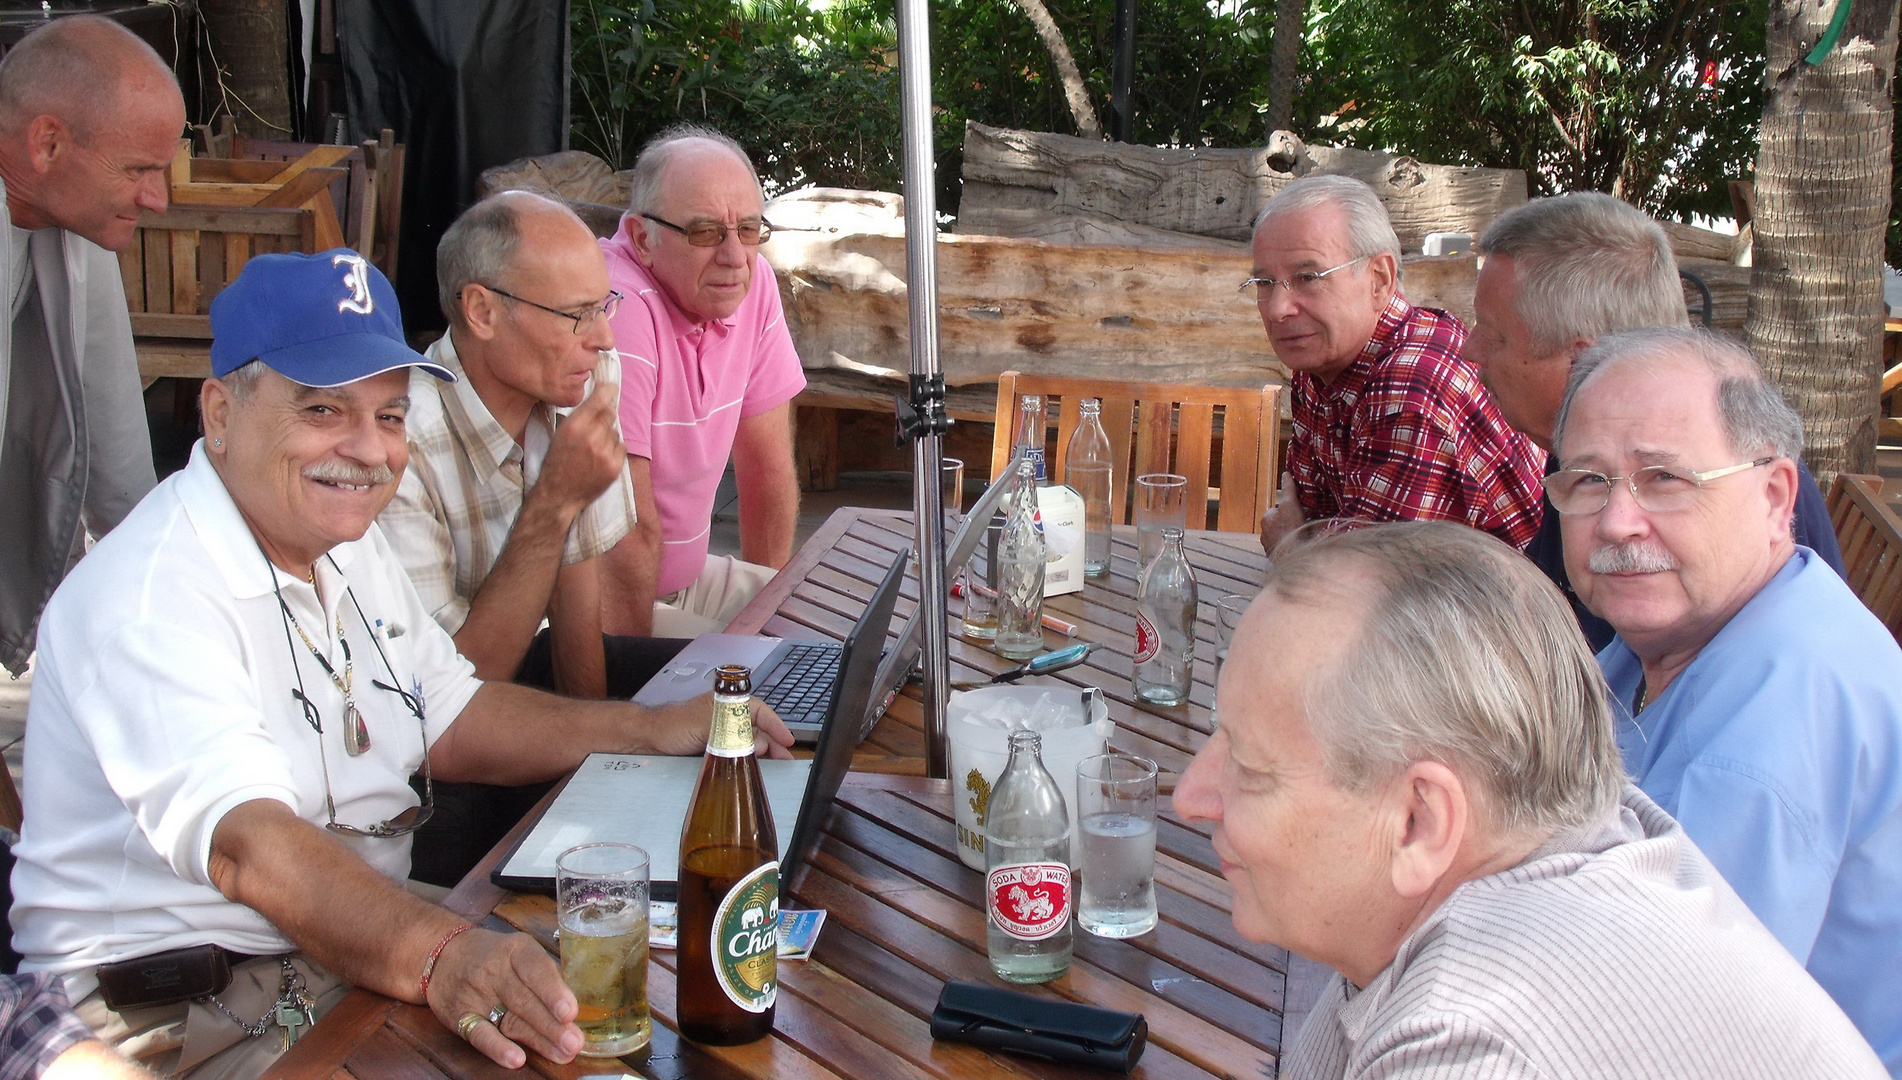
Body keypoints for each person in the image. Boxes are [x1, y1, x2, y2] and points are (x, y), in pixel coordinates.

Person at [8, 249, 792, 1079]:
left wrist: (648, 730)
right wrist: (442, 953)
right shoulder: (152, 593)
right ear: (220, 413)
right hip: (182, 1011)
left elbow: (453, 714)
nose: (369, 450)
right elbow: (250, 849)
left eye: (389, 416)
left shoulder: (341, 544)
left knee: (645, 1006)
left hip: (332, 956)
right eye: (321, 409)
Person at [1174, 519, 1886, 1078]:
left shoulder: (1482, 1038)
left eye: (1252, 768)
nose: (1190, 798)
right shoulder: (1535, 855)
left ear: (1421, 822)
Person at [1548, 327, 1902, 1074]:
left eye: (1665, 480)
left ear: (1775, 497)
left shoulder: (1774, 723)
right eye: (1588, 481)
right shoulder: (1675, 638)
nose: (1617, 521)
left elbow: (1658, 1034)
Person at [379, 192, 698, 885]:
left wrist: (600, 773)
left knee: (739, 690)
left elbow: (579, 593)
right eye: (575, 314)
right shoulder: (399, 446)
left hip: (525, 660)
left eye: (603, 305)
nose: (604, 338)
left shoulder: (580, 376)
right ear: (482, 311)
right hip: (441, 729)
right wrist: (552, 501)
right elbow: (455, 704)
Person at [1469, 191, 1843, 649]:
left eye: (1493, 336)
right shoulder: (1592, 456)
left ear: (1581, 362)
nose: (1469, 351)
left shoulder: (1731, 493)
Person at [0, 16, 185, 675]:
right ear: (47, 142)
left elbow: (114, 446)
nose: (158, 199)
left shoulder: (70, 211)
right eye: (138, 169)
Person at [1250, 175, 1544, 554]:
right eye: (1264, 283)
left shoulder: (1415, 382)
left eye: (1308, 278)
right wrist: (1308, 542)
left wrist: (1293, 547)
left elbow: (1372, 584)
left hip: (1512, 610)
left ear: (1379, 279)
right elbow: (1310, 518)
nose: (1277, 309)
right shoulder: (1317, 370)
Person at [598, 124, 804, 638]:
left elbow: (766, 469)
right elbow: (625, 533)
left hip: (685, 577)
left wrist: (767, 611)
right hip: (601, 598)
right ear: (643, 238)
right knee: (756, 687)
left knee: (827, 634)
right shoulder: (617, 307)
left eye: (750, 230)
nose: (735, 256)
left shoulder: (748, 287)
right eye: (706, 231)